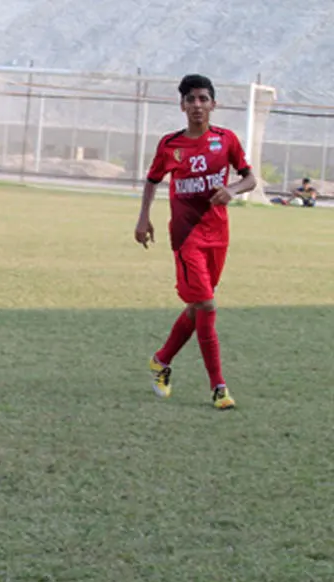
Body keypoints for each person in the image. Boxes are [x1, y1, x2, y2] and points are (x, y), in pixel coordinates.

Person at [136, 74, 257, 410]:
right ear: (182, 106)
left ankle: (160, 360)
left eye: (203, 99)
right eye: (191, 99)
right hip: (186, 237)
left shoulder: (226, 140)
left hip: (218, 235)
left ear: (213, 104)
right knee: (206, 306)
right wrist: (143, 217)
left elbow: (250, 178)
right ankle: (219, 387)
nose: (197, 105)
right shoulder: (171, 145)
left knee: (197, 306)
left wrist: (231, 190)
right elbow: (151, 181)